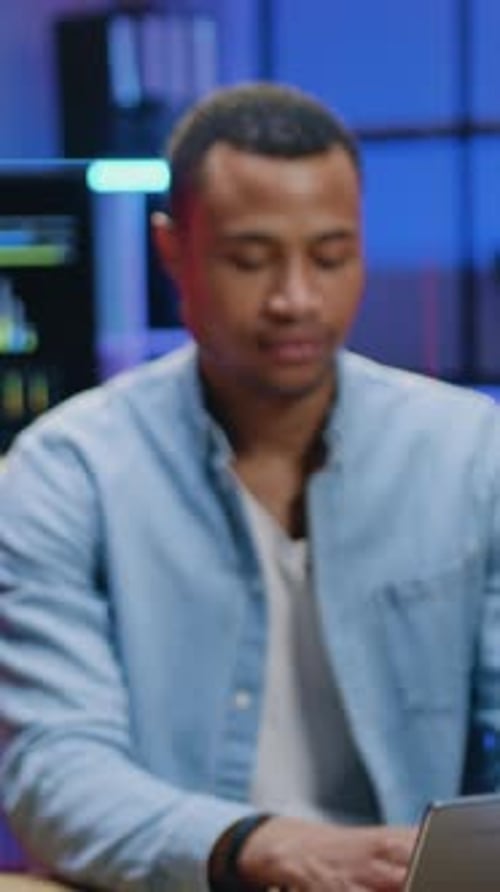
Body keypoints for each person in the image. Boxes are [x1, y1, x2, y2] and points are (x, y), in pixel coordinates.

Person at [0, 81, 499, 892]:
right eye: (250, 259)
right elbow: (58, 771)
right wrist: (259, 844)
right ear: (173, 252)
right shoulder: (70, 472)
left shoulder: (469, 451)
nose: (295, 299)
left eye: (331, 256)